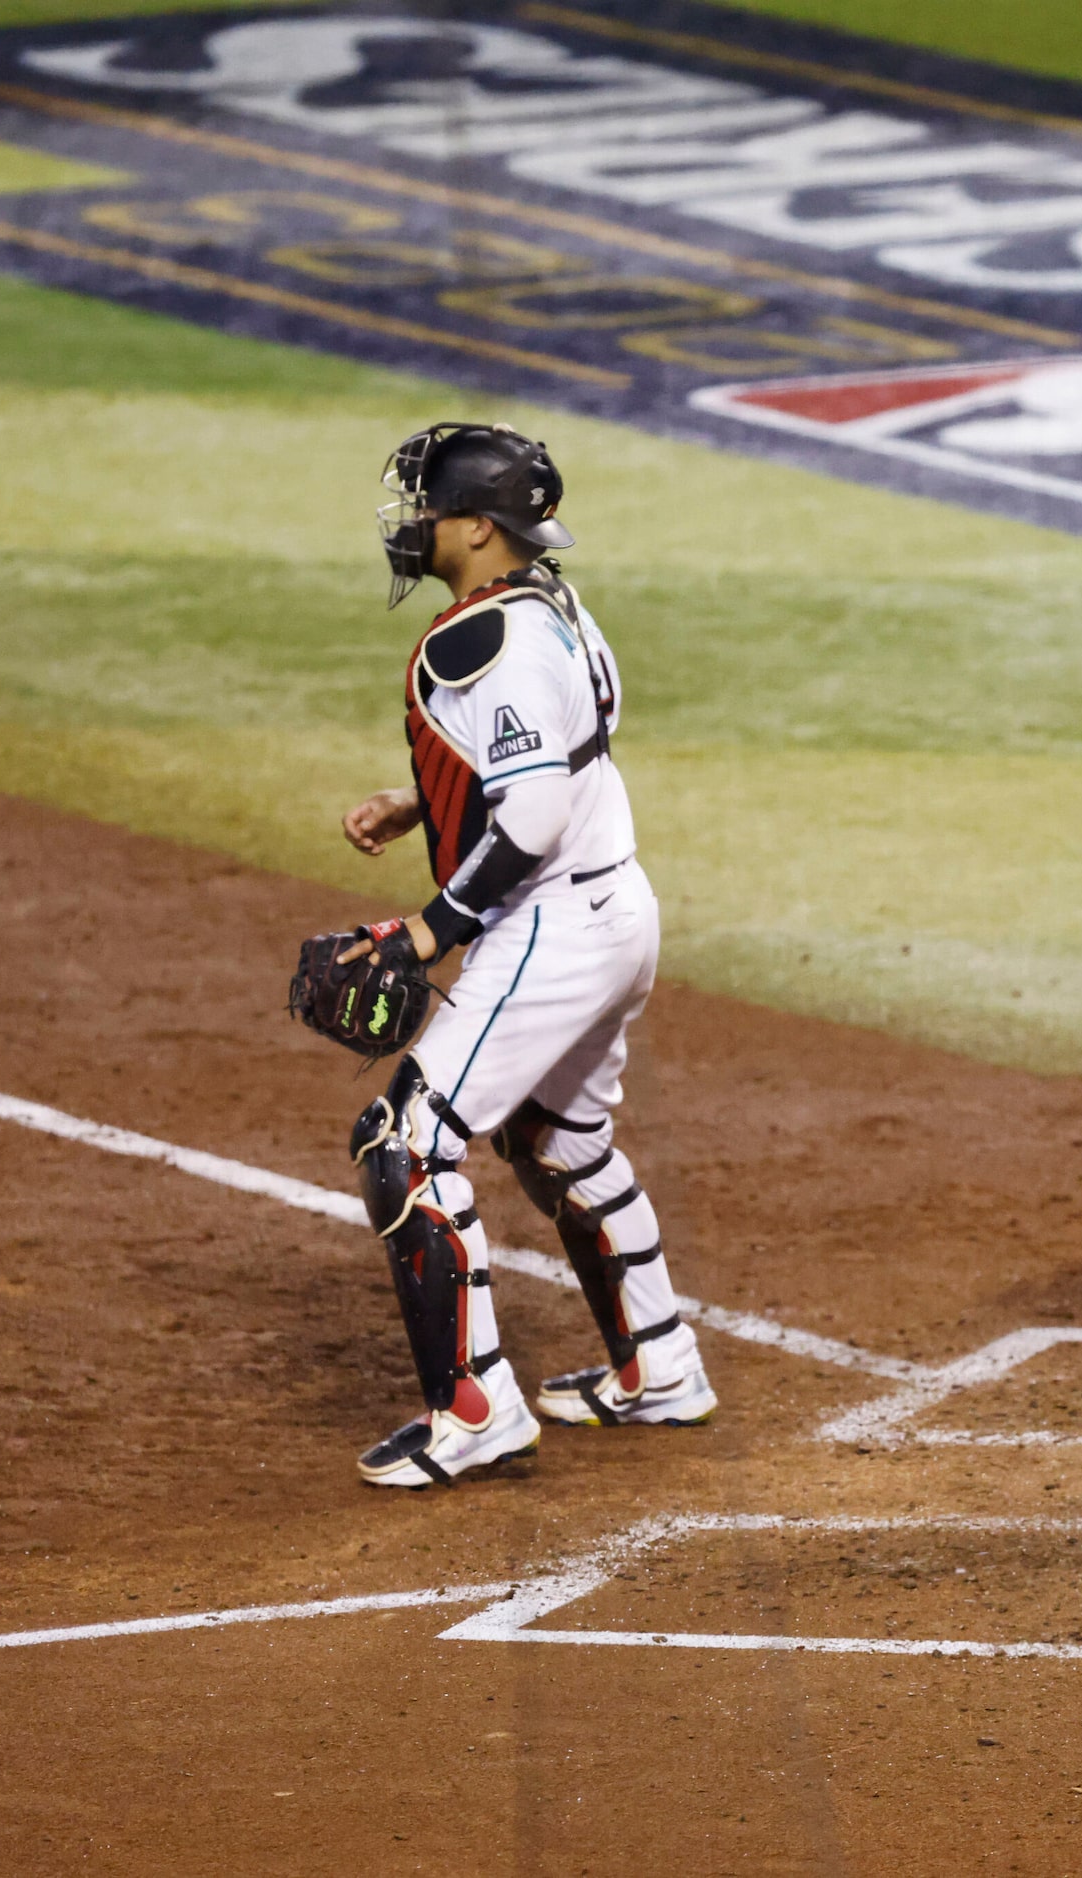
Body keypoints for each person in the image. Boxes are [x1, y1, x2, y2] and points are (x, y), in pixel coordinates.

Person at [322, 422, 713, 1489]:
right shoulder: (555, 606)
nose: (416, 525)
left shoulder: (470, 642)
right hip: (619, 905)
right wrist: (424, 800)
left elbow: (533, 815)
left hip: (552, 923)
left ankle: (476, 1410)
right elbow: (575, 736)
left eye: (432, 509)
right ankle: (661, 1367)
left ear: (479, 529)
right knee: (556, 1136)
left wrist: (425, 931)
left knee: (403, 1141)